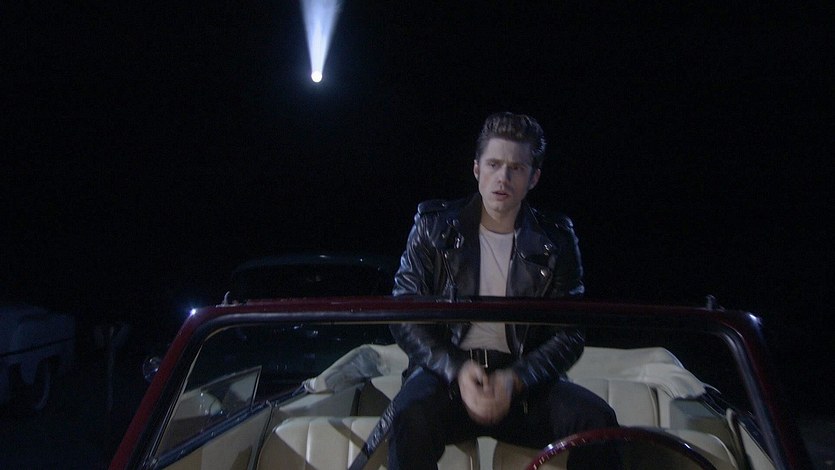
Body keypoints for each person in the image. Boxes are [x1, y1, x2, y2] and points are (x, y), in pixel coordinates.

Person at [388, 112, 618, 469]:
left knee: (597, 422)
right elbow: (403, 314)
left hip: (522, 383)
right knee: (409, 415)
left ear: (533, 178)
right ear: (477, 169)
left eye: (516, 168)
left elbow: (570, 333)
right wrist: (457, 370)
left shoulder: (557, 239)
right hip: (448, 376)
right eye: (494, 164)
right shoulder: (433, 227)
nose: (503, 178)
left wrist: (517, 379)